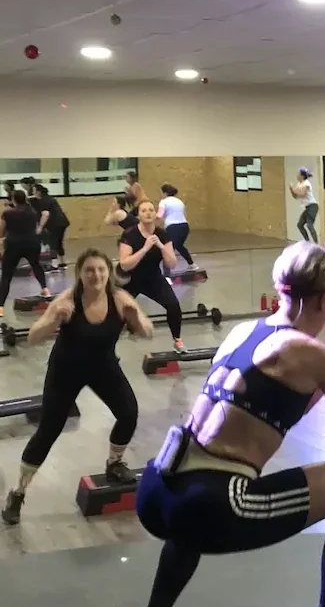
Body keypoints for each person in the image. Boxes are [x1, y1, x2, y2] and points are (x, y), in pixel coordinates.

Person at [122, 241, 325, 607]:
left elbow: (289, 406)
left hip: (158, 489)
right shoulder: (314, 354)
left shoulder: (244, 331)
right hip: (216, 503)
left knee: (192, 510)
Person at [1, 249, 152, 527]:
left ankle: (114, 464)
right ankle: (17, 493)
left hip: (103, 367)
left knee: (128, 413)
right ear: (80, 274)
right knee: (48, 432)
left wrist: (136, 318)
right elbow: (33, 337)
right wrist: (55, 319)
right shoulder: (67, 301)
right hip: (65, 372)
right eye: (89, 270)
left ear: (108, 272)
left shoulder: (120, 299)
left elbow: (148, 332)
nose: (95, 275)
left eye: (101, 270)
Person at [118, 199, 184, 351]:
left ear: (155, 214)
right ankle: (107, 348)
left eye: (150, 210)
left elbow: (171, 264)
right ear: (139, 215)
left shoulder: (162, 234)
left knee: (173, 306)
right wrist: (145, 249)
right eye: (143, 211)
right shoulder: (130, 234)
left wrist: (161, 246)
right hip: (130, 280)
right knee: (117, 315)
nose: (148, 213)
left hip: (153, 279)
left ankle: (177, 340)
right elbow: (124, 264)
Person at [0, 189, 50, 320]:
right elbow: (37, 224)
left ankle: (0, 307)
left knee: (6, 275)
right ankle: (45, 290)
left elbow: (1, 231)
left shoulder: (7, 213)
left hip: (13, 245)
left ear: (14, 200)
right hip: (31, 243)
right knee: (36, 265)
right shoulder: (32, 212)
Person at [31, 183, 70, 269]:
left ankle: (54, 265)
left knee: (53, 242)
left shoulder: (43, 201)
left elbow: (45, 214)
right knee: (59, 243)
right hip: (63, 223)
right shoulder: (49, 198)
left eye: (34, 191)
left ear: (39, 192)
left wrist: (40, 227)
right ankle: (62, 263)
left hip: (55, 224)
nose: (33, 192)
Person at [158, 183, 194, 265]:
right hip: (185, 227)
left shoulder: (163, 202)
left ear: (165, 193)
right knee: (179, 246)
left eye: (161, 192)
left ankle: (167, 274)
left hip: (173, 228)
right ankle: (192, 265)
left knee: (168, 250)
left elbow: (159, 215)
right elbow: (184, 214)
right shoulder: (179, 201)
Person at [290, 166, 319, 244]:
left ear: (302, 176)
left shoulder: (306, 183)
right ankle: (307, 242)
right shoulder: (299, 184)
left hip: (312, 206)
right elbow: (295, 196)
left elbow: (302, 193)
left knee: (310, 225)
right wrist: (291, 189)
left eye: (298, 174)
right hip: (307, 207)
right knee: (300, 225)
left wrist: (293, 189)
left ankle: (316, 244)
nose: (296, 175)